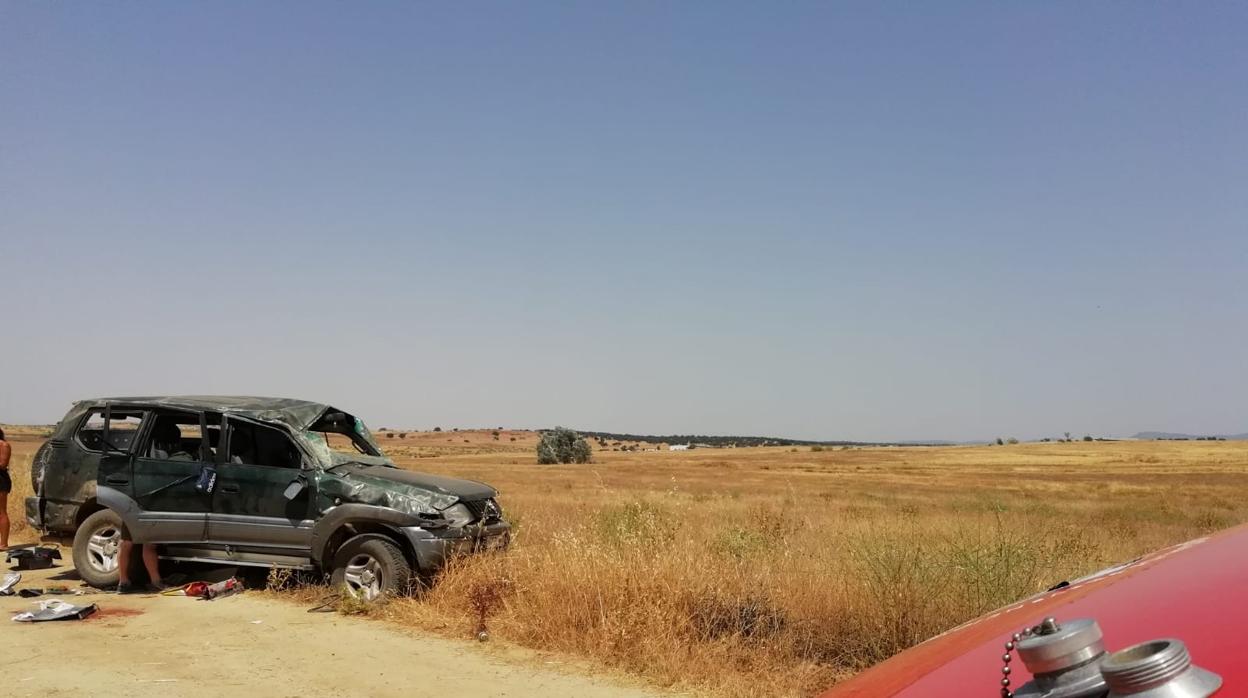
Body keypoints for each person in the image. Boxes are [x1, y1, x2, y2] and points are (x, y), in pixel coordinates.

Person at [117, 420, 184, 593]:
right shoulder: (170, 456)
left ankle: (123, 581)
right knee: (148, 544)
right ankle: (154, 580)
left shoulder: (141, 450)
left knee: (127, 543)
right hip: (151, 503)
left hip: (135, 502)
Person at [0, 427, 11, 550]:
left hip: (1, 480)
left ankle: (3, 544)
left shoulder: (4, 445)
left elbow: (3, 465)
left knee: (1, 512)